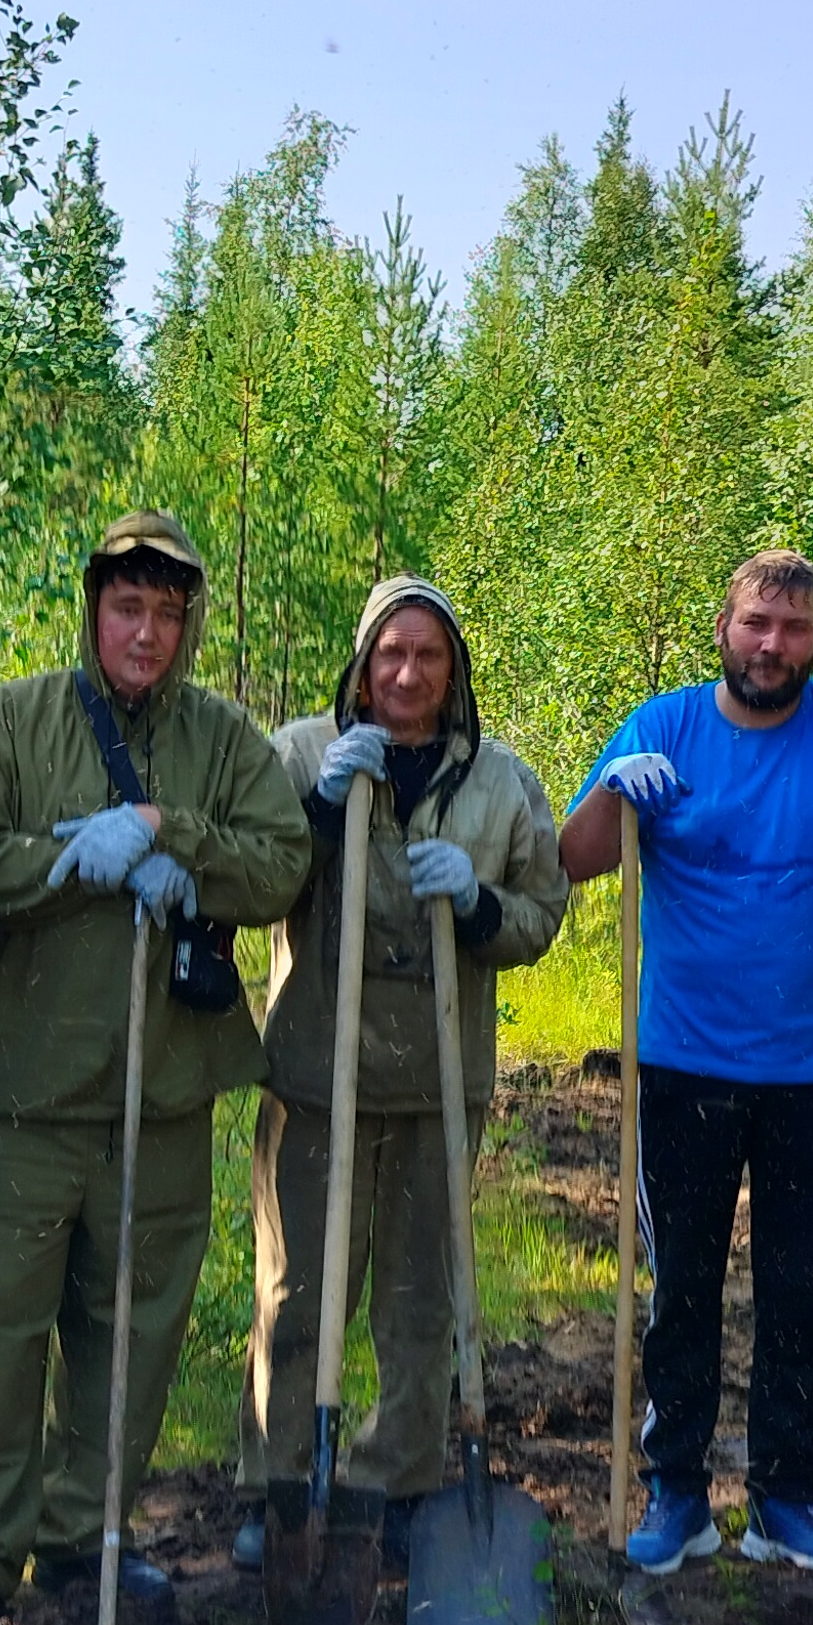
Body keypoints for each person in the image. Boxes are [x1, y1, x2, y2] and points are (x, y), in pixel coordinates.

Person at [0, 512, 314, 1625]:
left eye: (168, 612)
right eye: (127, 606)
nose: (147, 631)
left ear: (186, 625)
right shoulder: (16, 717)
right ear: (93, 608)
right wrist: (63, 859)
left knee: (131, 1327)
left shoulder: (223, 738)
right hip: (28, 1087)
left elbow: (279, 856)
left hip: (164, 1087)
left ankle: (84, 1532)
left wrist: (165, 834)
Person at [559, 550, 813, 1578]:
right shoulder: (665, 727)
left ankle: (786, 1494)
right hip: (685, 1063)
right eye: (753, 624)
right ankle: (676, 1493)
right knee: (679, 1286)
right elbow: (578, 855)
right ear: (723, 630)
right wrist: (614, 788)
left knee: (796, 1289)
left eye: (790, 627)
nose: (770, 644)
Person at [238, 578, 569, 1568]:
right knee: (298, 1289)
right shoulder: (302, 751)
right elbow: (252, 880)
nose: (407, 674)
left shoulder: (499, 783)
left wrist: (475, 905)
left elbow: (537, 911)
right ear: (360, 661)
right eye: (390, 654)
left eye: (428, 656)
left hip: (436, 1072)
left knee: (422, 1297)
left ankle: (398, 1484)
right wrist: (318, 806)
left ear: (453, 669)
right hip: (315, 1069)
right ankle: (279, 1483)